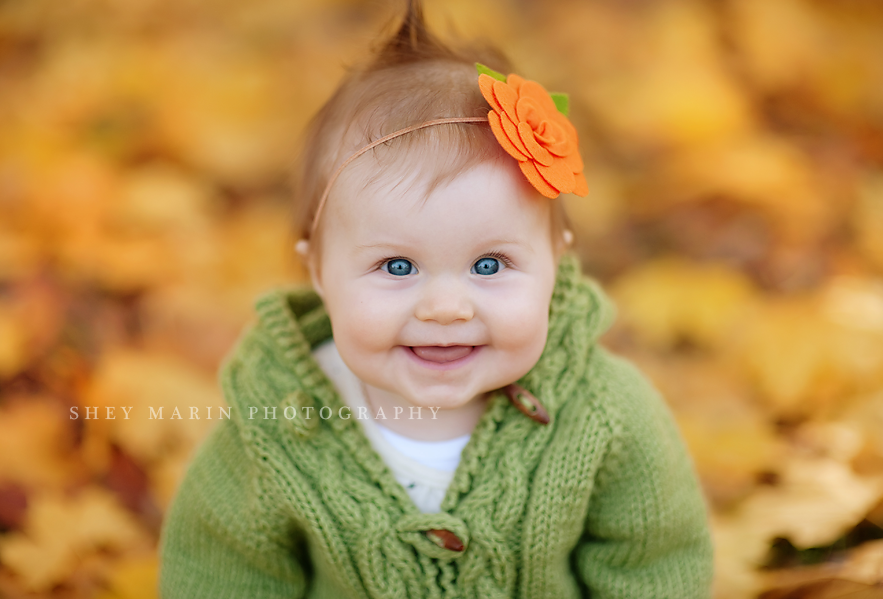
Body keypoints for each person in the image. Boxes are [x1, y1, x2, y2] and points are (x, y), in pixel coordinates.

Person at [157, 1, 714, 597]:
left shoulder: (606, 413)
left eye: (489, 265)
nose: (446, 308)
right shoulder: (277, 425)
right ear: (317, 270)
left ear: (556, 262)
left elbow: (653, 564)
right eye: (398, 266)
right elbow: (225, 571)